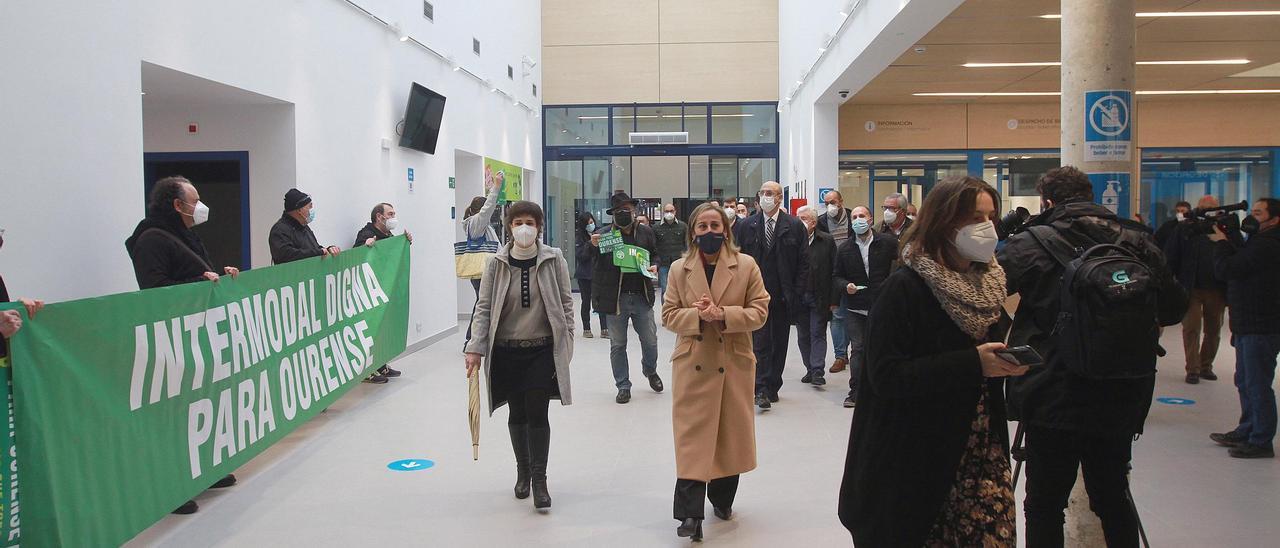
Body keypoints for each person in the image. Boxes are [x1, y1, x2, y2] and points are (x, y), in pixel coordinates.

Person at [999, 166, 1187, 546]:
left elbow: (986, 300)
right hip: (1121, 388)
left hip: (1052, 389)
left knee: (1044, 504)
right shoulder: (1136, 239)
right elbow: (1173, 309)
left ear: (1046, 200)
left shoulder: (1029, 243)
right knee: (1113, 495)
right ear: (1091, 195)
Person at [840, 176, 1023, 546]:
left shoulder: (991, 287)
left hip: (980, 449)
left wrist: (1007, 364)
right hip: (914, 457)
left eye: (991, 217)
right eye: (974, 218)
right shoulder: (905, 288)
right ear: (944, 221)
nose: (986, 228)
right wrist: (972, 364)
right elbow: (886, 376)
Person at [124, 176, 241, 515]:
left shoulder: (184, 235)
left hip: (195, 337)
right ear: (177, 205)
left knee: (200, 408)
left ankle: (205, 470)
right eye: (195, 199)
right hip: (170, 341)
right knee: (174, 415)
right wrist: (197, 282)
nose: (200, 206)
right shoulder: (151, 239)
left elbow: (194, 271)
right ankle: (171, 488)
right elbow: (156, 289)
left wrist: (217, 274)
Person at [661, 203, 770, 542]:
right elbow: (668, 315)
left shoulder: (747, 266)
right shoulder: (680, 269)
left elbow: (760, 311)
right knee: (692, 439)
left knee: (728, 436)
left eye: (715, 226)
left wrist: (722, 314)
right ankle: (689, 515)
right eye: (702, 227)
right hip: (693, 362)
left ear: (726, 230)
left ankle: (722, 501)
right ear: (692, 233)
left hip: (733, 361)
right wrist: (698, 317)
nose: (709, 232)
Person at [465, 201, 575, 509]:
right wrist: (475, 347)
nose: (523, 227)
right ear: (509, 227)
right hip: (506, 351)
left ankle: (540, 480)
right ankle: (523, 472)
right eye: (517, 222)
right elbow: (484, 309)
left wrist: (566, 342)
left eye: (529, 221)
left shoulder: (555, 259)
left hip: (541, 350)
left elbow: (567, 305)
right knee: (518, 414)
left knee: (538, 412)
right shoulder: (495, 263)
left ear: (539, 226)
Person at [1208, 198, 1280, 459]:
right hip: (1250, 322)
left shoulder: (1267, 245)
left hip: (1259, 324)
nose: (1252, 217)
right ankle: (1248, 428)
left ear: (1274, 219)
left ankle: (1260, 439)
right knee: (1245, 381)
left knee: (1257, 383)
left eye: (1259, 213)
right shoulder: (1260, 243)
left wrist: (1223, 243)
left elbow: (1228, 268)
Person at [733, 181, 809, 409]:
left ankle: (774, 383)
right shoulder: (747, 225)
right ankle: (761, 387)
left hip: (783, 295)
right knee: (760, 342)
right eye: (762, 193)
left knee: (780, 342)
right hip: (755, 295)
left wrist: (796, 293)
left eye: (770, 193)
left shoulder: (794, 226)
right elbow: (736, 259)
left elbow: (804, 264)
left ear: (779, 198)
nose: (765, 197)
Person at [590, 192, 663, 404]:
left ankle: (650, 370)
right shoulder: (605, 235)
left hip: (642, 295)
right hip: (615, 298)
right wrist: (593, 246)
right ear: (613, 215)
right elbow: (590, 260)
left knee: (650, 340)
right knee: (618, 344)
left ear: (634, 212)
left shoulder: (646, 232)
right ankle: (623, 385)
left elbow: (655, 254)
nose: (624, 214)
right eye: (620, 211)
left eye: (628, 210)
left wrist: (655, 265)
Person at [832, 205, 899, 408]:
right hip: (855, 307)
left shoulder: (888, 243)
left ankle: (883, 388)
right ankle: (856, 391)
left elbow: (899, 267)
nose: (858, 219)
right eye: (854, 217)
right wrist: (846, 286)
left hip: (882, 305)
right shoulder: (844, 248)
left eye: (862, 216)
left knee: (883, 348)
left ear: (870, 219)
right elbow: (836, 276)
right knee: (858, 349)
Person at [1164, 195, 1229, 384]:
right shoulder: (1185, 228)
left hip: (1216, 288)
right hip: (1189, 286)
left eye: (1210, 207)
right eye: (1202, 207)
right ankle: (1192, 368)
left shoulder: (1224, 228)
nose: (1206, 211)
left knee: (1213, 329)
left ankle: (1206, 365)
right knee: (1191, 327)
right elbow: (1172, 254)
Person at [354, 202, 413, 382]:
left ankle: (380, 364)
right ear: (379, 216)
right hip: (369, 293)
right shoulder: (366, 234)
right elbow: (357, 255)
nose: (393, 217)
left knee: (383, 328)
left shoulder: (388, 236)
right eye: (390, 213)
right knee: (371, 329)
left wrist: (405, 242)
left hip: (384, 291)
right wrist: (365, 246)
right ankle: (367, 369)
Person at [794, 205, 835, 386]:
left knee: (817, 332)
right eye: (797, 218)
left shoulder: (826, 241)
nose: (799, 222)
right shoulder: (792, 240)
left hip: (819, 294)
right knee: (803, 335)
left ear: (813, 222)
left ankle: (818, 370)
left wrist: (833, 299)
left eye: (803, 218)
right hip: (799, 295)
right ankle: (809, 369)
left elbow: (834, 269)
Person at [817, 190, 854, 374]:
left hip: (853, 273)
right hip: (833, 274)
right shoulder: (822, 222)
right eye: (827, 203)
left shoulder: (853, 218)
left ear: (841, 201)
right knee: (837, 316)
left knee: (853, 314)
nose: (830, 206)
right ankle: (840, 356)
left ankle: (855, 352)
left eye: (833, 201)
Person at [269, 188, 341, 265]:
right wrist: (318, 252)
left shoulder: (304, 227)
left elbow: (315, 249)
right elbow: (287, 256)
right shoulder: (279, 230)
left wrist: (328, 250)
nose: (311, 210)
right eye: (309, 207)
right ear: (299, 210)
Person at [574, 212, 608, 339]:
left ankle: (605, 328)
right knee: (586, 301)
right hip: (585, 275)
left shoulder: (599, 233)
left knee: (601, 301)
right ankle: (586, 328)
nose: (591, 225)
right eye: (588, 223)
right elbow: (581, 256)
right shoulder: (580, 238)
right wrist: (591, 244)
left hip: (599, 273)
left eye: (592, 222)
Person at [653, 203, 688, 302]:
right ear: (663, 213)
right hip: (663, 263)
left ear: (675, 212)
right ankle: (666, 313)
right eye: (667, 211)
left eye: (671, 211)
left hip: (679, 263)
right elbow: (653, 246)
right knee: (665, 289)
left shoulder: (683, 226)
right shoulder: (656, 228)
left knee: (681, 289)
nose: (669, 213)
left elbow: (687, 244)